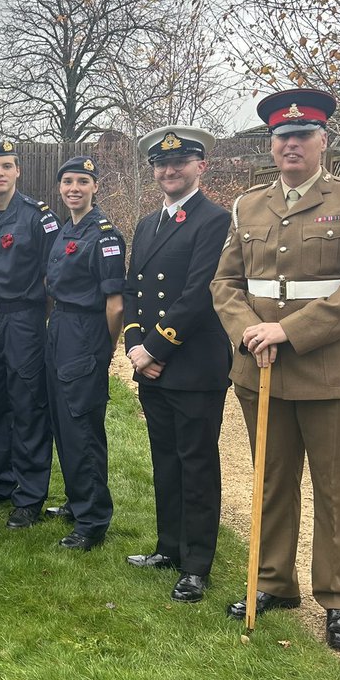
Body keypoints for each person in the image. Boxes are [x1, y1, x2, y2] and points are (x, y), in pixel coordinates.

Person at [211, 88, 340, 652]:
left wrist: (289, 331)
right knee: (270, 480)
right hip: (261, 369)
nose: (292, 144)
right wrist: (246, 328)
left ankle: (339, 599)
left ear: (322, 141)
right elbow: (226, 284)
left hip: (332, 370)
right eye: (283, 137)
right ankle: (273, 582)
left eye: (303, 135)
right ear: (272, 144)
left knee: (336, 487)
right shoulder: (248, 206)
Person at [123, 126, 232, 603]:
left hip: (192, 366)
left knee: (197, 465)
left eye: (180, 162)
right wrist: (133, 347)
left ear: (199, 166)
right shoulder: (148, 224)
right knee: (165, 461)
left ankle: (197, 565)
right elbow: (132, 290)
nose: (169, 170)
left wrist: (155, 349)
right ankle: (168, 547)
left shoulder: (215, 220)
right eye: (162, 165)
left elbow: (199, 295)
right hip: (151, 365)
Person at [0, 141, 59, 530]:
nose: (1, 173)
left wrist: (37, 316)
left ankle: (29, 494)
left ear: (18, 172)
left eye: (8, 166)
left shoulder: (39, 218)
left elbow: (53, 274)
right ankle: (1, 481)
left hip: (24, 319)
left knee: (27, 406)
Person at [43, 156, 125, 550]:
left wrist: (105, 349)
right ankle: (78, 503)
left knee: (82, 427)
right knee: (63, 422)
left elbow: (115, 304)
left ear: (95, 187)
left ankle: (93, 520)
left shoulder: (104, 234)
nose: (74, 188)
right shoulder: (65, 230)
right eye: (68, 182)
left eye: (82, 182)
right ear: (60, 188)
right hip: (60, 329)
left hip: (85, 330)